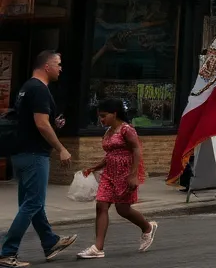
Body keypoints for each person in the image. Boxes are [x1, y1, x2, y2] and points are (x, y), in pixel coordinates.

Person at [0, 50, 77, 267]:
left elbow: (35, 122)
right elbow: (41, 124)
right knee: (32, 203)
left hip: (21, 153)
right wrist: (61, 148)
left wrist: (54, 124)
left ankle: (50, 242)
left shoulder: (26, 88)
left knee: (32, 204)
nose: (61, 68)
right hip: (34, 155)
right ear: (47, 66)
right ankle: (7, 252)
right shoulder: (40, 90)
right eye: (58, 63)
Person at [76, 99, 155, 258]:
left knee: (122, 209)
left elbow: (136, 150)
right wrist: (94, 167)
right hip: (109, 174)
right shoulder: (108, 132)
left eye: (104, 116)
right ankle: (98, 248)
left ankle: (147, 228)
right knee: (101, 205)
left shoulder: (126, 130)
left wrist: (134, 175)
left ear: (115, 114)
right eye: (100, 116)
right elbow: (110, 155)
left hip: (125, 174)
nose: (101, 120)